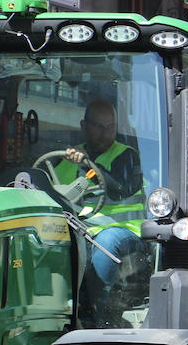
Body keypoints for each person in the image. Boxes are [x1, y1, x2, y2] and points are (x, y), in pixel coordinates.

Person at [52, 100, 148, 321]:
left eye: (110, 127)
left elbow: (120, 189)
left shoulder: (127, 155)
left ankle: (98, 315)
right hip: (78, 230)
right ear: (84, 126)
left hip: (124, 231)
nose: (105, 134)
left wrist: (88, 165)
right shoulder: (65, 159)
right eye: (98, 126)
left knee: (106, 243)